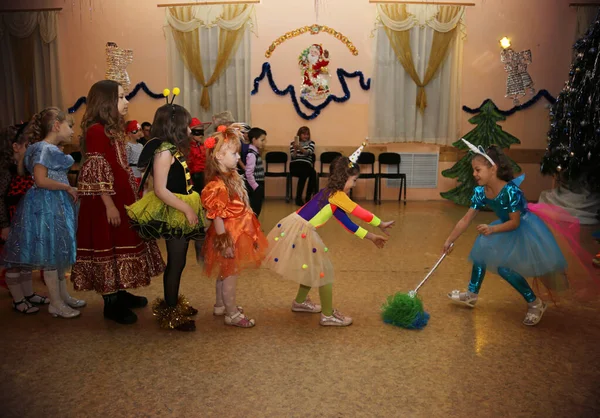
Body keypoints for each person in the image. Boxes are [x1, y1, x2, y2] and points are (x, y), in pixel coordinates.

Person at [444, 141, 575, 326]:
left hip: (524, 230)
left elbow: (515, 223)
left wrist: (492, 229)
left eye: (478, 169)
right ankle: (472, 295)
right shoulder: (481, 192)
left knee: (505, 269)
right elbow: (466, 219)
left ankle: (535, 303)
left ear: (493, 169)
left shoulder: (511, 191)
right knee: (481, 250)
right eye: (474, 170)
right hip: (503, 226)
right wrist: (449, 240)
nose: (474, 174)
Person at [263, 144, 394, 327]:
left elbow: (348, 223)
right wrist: (380, 223)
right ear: (345, 177)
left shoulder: (330, 194)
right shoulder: (337, 195)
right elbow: (359, 212)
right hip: (302, 231)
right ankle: (327, 315)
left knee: (312, 268)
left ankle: (300, 302)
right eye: (354, 180)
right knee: (324, 271)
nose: (354, 184)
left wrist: (371, 237)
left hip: (298, 228)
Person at [71, 80, 165, 325]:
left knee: (123, 244)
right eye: (121, 97)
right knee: (108, 246)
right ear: (106, 102)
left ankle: (121, 291)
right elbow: (95, 170)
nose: (126, 102)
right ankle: (111, 303)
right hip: (105, 203)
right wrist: (109, 205)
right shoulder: (95, 130)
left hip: (121, 199)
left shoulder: (113, 129)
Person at [127, 103, 205, 332]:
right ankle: (171, 312)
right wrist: (187, 209)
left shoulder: (172, 148)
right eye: (186, 126)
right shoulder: (163, 151)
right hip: (175, 211)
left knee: (179, 262)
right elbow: (160, 189)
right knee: (176, 262)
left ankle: (174, 303)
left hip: (180, 207)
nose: (190, 130)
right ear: (175, 126)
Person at [2, 107, 85, 318]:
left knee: (57, 255)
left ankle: (63, 296)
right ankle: (55, 303)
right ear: (57, 126)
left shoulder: (49, 148)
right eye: (69, 126)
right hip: (45, 206)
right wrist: (67, 188)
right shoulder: (43, 149)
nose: (72, 131)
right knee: (50, 255)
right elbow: (40, 180)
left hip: (55, 204)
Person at [201, 124, 268, 328]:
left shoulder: (229, 177)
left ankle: (220, 305)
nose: (238, 157)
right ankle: (231, 314)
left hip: (235, 231)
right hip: (230, 234)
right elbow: (217, 215)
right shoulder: (218, 185)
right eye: (233, 153)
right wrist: (225, 241)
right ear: (219, 156)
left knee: (224, 270)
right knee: (230, 273)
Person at [290, 126, 317, 206]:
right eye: (303, 134)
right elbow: (293, 157)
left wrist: (300, 148)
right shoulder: (293, 143)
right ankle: (299, 198)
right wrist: (295, 148)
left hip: (306, 164)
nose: (306, 136)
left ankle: (307, 197)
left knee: (313, 173)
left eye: (307, 134)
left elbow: (309, 153)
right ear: (299, 134)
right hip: (295, 165)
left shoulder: (311, 143)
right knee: (305, 172)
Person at [244, 127, 267, 217]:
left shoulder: (255, 151)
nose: (264, 142)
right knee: (255, 209)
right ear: (254, 140)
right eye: (262, 140)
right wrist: (255, 187)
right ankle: (253, 228)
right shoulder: (252, 154)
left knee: (257, 208)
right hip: (255, 185)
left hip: (258, 183)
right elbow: (249, 173)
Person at [125, 120, 144, 192]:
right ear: (129, 133)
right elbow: (126, 162)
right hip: (132, 175)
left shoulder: (140, 145)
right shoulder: (128, 146)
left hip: (140, 174)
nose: (139, 133)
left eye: (140, 130)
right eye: (136, 131)